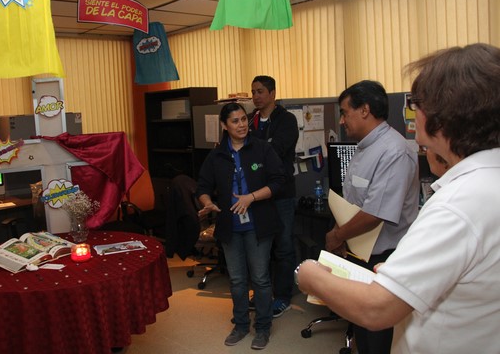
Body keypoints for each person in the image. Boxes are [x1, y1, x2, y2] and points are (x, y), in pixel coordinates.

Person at [296, 43, 500, 353]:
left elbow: (376, 309)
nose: (413, 114)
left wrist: (309, 274)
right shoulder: (484, 180)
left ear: (441, 117)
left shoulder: (455, 205)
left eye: (417, 106)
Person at [324, 80, 420, 353]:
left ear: (365, 110)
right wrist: (341, 233)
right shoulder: (364, 146)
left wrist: (336, 235)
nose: (342, 121)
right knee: (361, 325)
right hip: (358, 251)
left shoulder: (394, 151)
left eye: (345, 113)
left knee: (377, 334)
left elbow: (375, 213)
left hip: (383, 257)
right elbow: (353, 200)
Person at [196, 102, 285, 350]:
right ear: (224, 125)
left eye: (244, 119)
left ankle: (263, 327)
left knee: (261, 279)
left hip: (259, 224)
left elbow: (279, 181)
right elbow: (202, 186)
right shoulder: (217, 155)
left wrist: (251, 197)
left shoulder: (262, 148)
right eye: (235, 121)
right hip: (230, 226)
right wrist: (208, 203)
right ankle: (241, 325)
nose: (242, 124)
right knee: (237, 280)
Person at [249, 75, 299, 317]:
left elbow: (275, 151)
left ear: (272, 94)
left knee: (283, 247)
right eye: (253, 92)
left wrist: (253, 151)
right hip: (256, 195)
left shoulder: (287, 120)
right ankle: (262, 293)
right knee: (261, 247)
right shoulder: (250, 120)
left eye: (260, 91)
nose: (256, 96)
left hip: (281, 194)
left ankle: (283, 297)